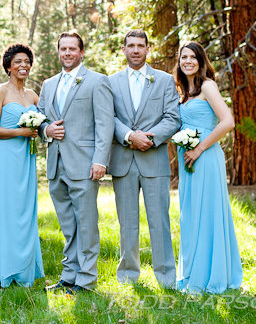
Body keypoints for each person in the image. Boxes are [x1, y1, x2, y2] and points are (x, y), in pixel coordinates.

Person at [37, 31, 114, 293]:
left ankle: (86, 280)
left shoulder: (97, 81)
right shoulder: (48, 84)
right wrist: (46, 130)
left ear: (81, 52)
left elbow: (105, 123)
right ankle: (69, 276)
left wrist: (100, 160)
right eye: (63, 49)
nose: (67, 53)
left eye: (72, 49)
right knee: (68, 225)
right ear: (58, 51)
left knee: (87, 224)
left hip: (85, 164)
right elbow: (40, 118)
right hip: (56, 164)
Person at [107, 30, 181, 287]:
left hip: (154, 158)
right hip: (123, 161)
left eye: (141, 45)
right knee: (127, 223)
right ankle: (128, 277)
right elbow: (107, 117)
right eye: (131, 45)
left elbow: (173, 117)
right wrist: (129, 136)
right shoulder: (111, 82)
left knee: (159, 221)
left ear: (148, 49)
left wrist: (148, 138)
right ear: (124, 49)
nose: (136, 50)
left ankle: (166, 278)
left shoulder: (164, 80)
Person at [174, 41, 243, 293]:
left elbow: (228, 122)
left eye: (193, 57)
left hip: (205, 156)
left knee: (207, 212)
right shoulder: (182, 90)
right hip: (188, 158)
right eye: (184, 57)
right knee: (191, 213)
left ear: (201, 61)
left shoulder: (207, 86)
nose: (188, 61)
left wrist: (200, 148)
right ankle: (193, 272)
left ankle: (211, 275)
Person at [0, 44, 45, 287]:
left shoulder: (33, 96)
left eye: (27, 61)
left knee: (25, 211)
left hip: (27, 159)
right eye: (17, 61)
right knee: (6, 211)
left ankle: (24, 270)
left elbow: (45, 123)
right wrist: (21, 132)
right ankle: (4, 270)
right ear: (8, 66)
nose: (23, 65)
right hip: (6, 157)